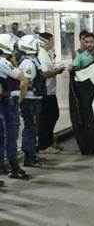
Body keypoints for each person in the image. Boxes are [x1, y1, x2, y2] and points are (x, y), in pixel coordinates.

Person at [0, 34, 30, 180]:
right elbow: (23, 80)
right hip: (6, 104)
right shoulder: (2, 62)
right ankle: (14, 167)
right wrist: (20, 100)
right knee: (10, 136)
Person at [17, 35, 46, 168]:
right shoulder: (28, 63)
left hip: (34, 99)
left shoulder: (33, 60)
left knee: (33, 128)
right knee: (30, 128)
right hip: (29, 101)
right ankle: (29, 157)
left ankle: (32, 154)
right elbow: (25, 83)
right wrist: (20, 100)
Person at [36, 33, 65, 155]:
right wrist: (57, 71)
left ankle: (49, 142)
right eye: (52, 40)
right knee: (47, 118)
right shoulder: (41, 54)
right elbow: (44, 74)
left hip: (51, 91)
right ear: (46, 41)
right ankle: (44, 145)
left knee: (53, 115)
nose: (53, 43)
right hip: (45, 92)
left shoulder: (47, 54)